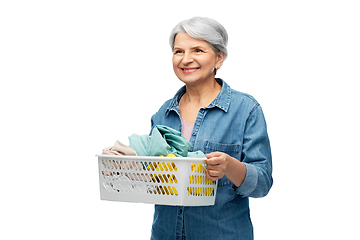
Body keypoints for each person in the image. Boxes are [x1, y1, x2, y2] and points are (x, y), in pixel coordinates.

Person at [150, 16, 273, 240]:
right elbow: (152, 175)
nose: (186, 59)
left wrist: (230, 167)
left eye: (197, 50)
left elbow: (263, 184)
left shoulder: (245, 110)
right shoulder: (162, 114)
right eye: (178, 51)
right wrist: (127, 155)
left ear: (219, 58)